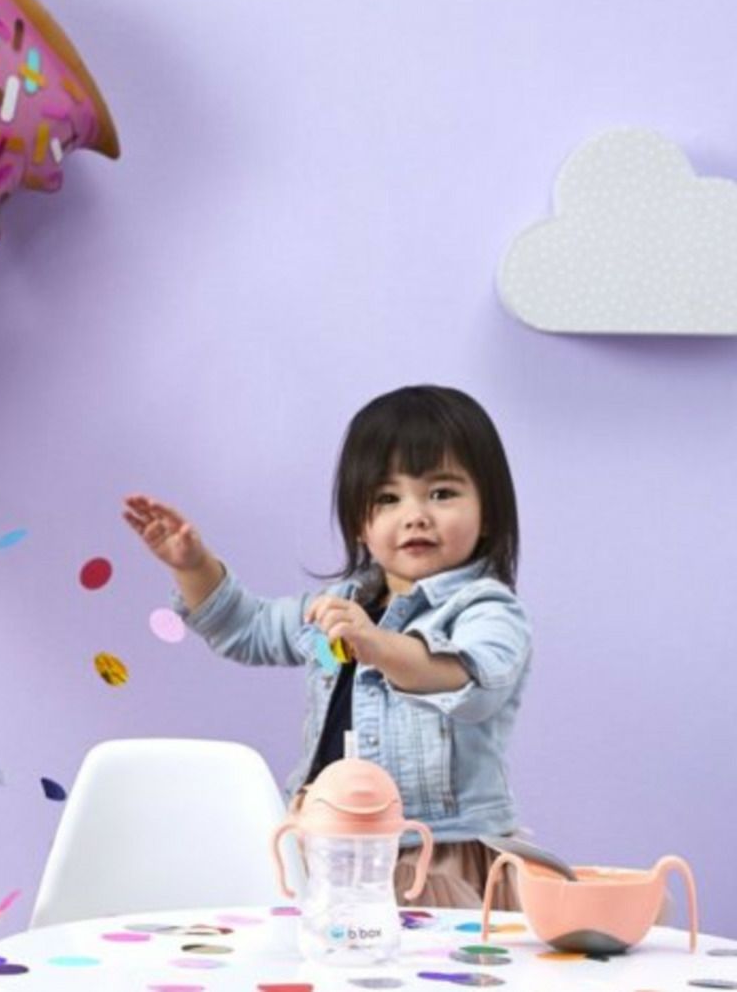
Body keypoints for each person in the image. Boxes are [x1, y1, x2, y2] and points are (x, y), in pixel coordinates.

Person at [123, 385, 531, 909]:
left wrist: (377, 644)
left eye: (441, 493)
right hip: (325, 847)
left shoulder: (485, 609)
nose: (415, 515)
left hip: (430, 852)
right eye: (388, 499)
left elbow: (469, 678)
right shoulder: (337, 607)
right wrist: (194, 567)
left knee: (423, 959)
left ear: (489, 511)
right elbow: (247, 628)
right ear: (360, 523)